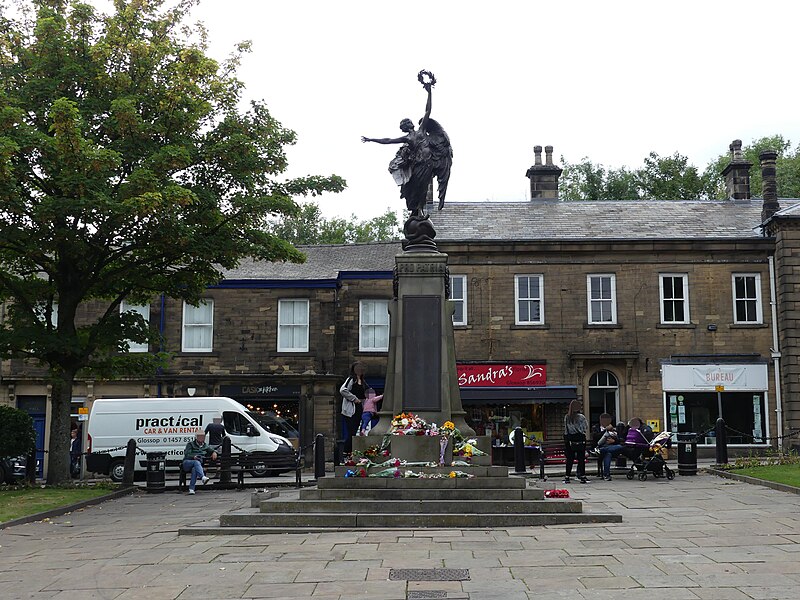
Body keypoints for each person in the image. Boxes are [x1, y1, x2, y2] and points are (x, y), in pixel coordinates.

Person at [361, 71, 452, 217]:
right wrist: (371, 139)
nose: (409, 123)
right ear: (405, 128)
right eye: (406, 123)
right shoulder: (407, 139)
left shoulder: (422, 130)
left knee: (423, 187)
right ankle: (416, 211)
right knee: (416, 187)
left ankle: (420, 211)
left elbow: (428, 110)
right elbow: (388, 140)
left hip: (428, 163)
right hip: (418, 164)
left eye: (408, 122)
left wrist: (429, 92)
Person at [340, 361, 367, 453]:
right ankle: (345, 453)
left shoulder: (363, 382)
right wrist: (354, 398)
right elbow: (343, 390)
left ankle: (352, 453)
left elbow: (368, 393)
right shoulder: (351, 379)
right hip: (350, 410)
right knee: (351, 433)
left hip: (359, 410)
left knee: (355, 433)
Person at [563, 399, 588, 484]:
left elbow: (565, 430)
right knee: (581, 459)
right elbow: (585, 428)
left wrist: (567, 439)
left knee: (570, 459)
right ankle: (583, 476)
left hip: (570, 439)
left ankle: (567, 476)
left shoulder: (567, 417)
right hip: (580, 438)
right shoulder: (581, 417)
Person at [593, 413, 623, 481]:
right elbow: (595, 438)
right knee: (608, 454)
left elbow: (618, 440)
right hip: (600, 447)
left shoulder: (613, 429)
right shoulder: (596, 428)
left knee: (616, 449)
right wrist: (605, 430)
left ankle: (606, 474)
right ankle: (607, 475)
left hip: (611, 448)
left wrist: (613, 441)